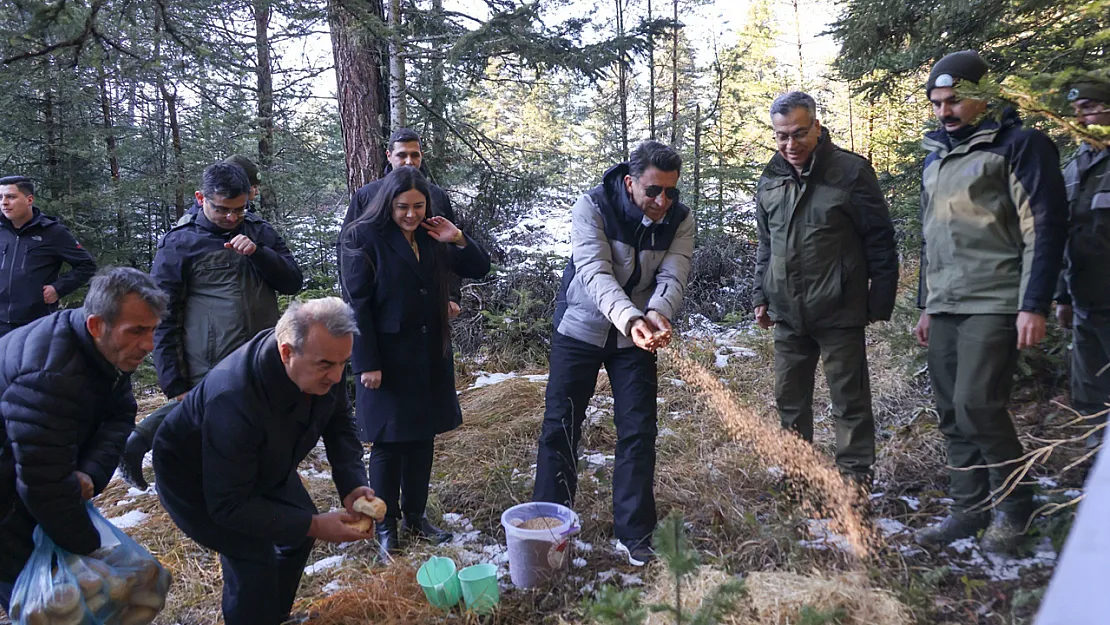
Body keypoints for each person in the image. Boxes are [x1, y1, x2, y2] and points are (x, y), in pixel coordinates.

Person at [912, 50, 1068, 553]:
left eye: (955, 101)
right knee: (951, 411)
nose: (945, 112)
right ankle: (968, 509)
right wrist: (926, 305)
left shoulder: (1020, 146)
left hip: (997, 300)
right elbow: (930, 236)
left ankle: (1016, 508)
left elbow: (1042, 226)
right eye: (937, 103)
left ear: (986, 94)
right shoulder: (936, 156)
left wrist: (1034, 302)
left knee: (978, 404)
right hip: (947, 303)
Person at [152, 298, 373, 625]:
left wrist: (352, 483)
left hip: (264, 461)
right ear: (286, 352)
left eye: (344, 363)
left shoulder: (322, 362)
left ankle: (274, 617)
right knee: (253, 559)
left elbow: (339, 424)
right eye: (327, 365)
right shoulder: (235, 396)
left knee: (297, 535)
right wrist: (313, 524)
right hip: (195, 479)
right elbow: (228, 504)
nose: (337, 377)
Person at [533, 140, 695, 566]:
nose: (663, 201)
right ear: (629, 183)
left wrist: (658, 314)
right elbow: (593, 273)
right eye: (653, 191)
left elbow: (674, 275)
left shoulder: (679, 219)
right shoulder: (593, 206)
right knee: (561, 425)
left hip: (635, 337)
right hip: (581, 328)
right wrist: (631, 318)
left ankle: (635, 532)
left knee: (639, 430)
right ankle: (551, 525)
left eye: (671, 192)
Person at [118, 161, 303, 489]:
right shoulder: (180, 242)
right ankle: (141, 445)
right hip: (206, 357)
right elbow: (162, 314)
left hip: (260, 352)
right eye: (222, 209)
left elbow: (292, 281)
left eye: (239, 209)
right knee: (203, 424)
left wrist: (260, 254)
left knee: (251, 432)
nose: (232, 217)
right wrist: (173, 381)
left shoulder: (259, 231)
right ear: (201, 197)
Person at [339, 167, 491, 561]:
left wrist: (456, 237)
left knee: (423, 439)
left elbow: (480, 267)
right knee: (389, 444)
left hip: (429, 353)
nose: (410, 214)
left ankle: (416, 517)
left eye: (418, 206)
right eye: (403, 207)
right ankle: (384, 525)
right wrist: (366, 362)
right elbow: (358, 306)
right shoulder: (362, 237)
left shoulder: (432, 233)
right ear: (387, 203)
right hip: (386, 357)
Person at [751, 91, 899, 487]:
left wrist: (878, 301)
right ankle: (796, 477)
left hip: (839, 308)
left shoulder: (849, 172)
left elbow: (880, 239)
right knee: (789, 401)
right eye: (781, 136)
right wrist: (760, 295)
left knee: (849, 401)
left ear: (817, 126)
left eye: (799, 133)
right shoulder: (771, 177)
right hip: (786, 311)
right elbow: (767, 243)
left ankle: (854, 482)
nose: (790, 144)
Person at [0, 267, 167, 613]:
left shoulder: (101, 349)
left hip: (24, 477)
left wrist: (90, 472)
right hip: (9, 494)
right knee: (40, 602)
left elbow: (120, 414)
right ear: (96, 324)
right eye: (137, 331)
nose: (149, 345)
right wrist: (92, 551)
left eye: (152, 330)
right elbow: (44, 485)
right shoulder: (48, 373)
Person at [344, 128, 464, 319]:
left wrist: (451, 296)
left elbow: (449, 251)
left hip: (431, 304)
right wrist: (354, 306)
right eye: (402, 155)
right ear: (389, 156)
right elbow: (347, 250)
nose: (409, 161)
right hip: (384, 309)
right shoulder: (367, 196)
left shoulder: (437, 196)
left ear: (421, 156)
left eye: (414, 155)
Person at [1054, 76, 1110, 449]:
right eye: (1076, 112)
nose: (1081, 118)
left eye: (1089, 107)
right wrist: (1062, 295)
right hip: (1085, 303)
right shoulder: (1075, 167)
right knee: (1091, 400)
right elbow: (1063, 235)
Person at [0, 175, 97, 337]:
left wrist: (58, 289)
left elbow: (87, 266)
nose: (4, 202)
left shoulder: (53, 232)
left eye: (11, 197)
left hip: (34, 324)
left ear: (29, 199)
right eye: (0, 197)